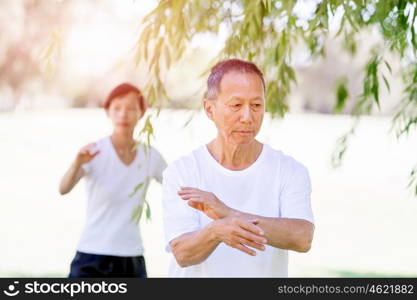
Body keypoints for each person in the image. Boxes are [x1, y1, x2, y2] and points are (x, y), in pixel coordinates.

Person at [162, 59, 314, 277]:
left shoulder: (289, 170)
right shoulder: (183, 171)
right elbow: (183, 254)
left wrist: (229, 214)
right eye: (236, 105)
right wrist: (216, 231)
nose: (247, 117)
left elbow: (302, 238)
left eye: (256, 105)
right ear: (209, 109)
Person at [59, 83, 167, 278]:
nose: (123, 115)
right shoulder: (94, 152)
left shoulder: (150, 155)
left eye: (131, 108)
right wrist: (77, 163)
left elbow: (176, 187)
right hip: (91, 255)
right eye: (117, 108)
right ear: (108, 111)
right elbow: (63, 189)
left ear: (142, 112)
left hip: (130, 256)